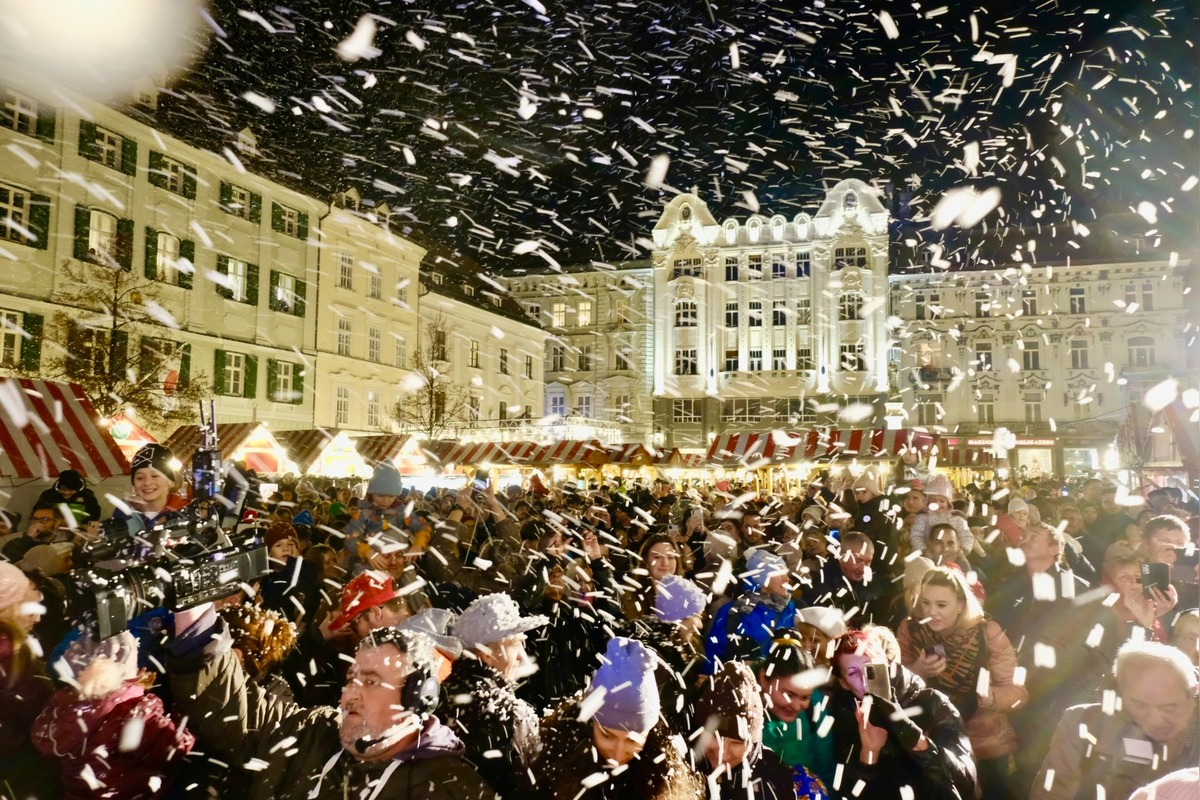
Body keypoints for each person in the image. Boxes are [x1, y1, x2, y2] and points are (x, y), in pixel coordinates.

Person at [167, 606, 494, 800]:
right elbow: (233, 706)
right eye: (351, 678)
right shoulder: (316, 731)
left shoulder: (449, 787)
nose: (350, 693)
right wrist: (195, 611)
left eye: (370, 681)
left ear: (416, 698)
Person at [897, 567, 1027, 798]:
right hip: (929, 744)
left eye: (941, 605)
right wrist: (917, 671)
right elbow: (892, 686)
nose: (931, 612)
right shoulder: (911, 630)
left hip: (984, 746)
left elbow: (1018, 692)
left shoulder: (987, 633)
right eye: (926, 602)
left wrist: (992, 697)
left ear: (960, 604)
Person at [529, 636, 704, 800]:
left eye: (632, 740)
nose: (618, 754)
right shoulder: (552, 770)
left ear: (650, 735)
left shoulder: (661, 778)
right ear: (589, 725)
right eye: (607, 735)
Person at [33, 631, 194, 800]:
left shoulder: (62, 708)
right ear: (130, 671)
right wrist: (180, 717)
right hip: (131, 793)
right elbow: (173, 749)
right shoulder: (136, 712)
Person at [1032, 640, 1200, 800]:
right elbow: (1053, 793)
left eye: (1169, 707)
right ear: (1122, 690)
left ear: (1194, 692)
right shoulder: (1084, 723)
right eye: (1139, 705)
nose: (1154, 719)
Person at [825, 630, 978, 800]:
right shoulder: (845, 719)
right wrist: (869, 753)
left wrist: (912, 736)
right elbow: (847, 795)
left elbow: (965, 780)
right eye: (853, 673)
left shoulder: (932, 703)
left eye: (870, 667)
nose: (865, 679)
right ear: (843, 683)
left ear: (886, 662)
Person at [443, 593, 546, 797]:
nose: (521, 656)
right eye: (515, 644)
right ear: (486, 654)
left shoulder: (439, 697)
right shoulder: (509, 715)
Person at [692, 660, 795, 800]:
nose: (723, 753)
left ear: (753, 742)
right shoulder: (677, 761)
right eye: (715, 737)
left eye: (736, 743)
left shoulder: (773, 778)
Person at [755, 632, 835, 794]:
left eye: (805, 697)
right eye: (789, 694)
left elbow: (825, 768)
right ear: (764, 679)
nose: (797, 705)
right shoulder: (743, 709)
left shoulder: (815, 709)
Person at [705, 548, 797, 669]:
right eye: (779, 573)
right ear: (763, 581)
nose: (786, 578)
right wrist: (710, 675)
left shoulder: (793, 610)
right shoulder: (734, 612)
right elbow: (715, 651)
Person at [36, 469, 102, 527]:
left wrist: (82, 526)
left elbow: (94, 518)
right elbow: (37, 513)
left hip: (80, 533)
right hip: (51, 532)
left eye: (71, 490)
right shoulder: (49, 495)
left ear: (78, 489)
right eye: (63, 489)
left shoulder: (88, 497)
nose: (66, 493)